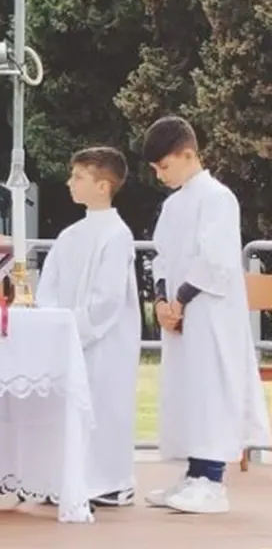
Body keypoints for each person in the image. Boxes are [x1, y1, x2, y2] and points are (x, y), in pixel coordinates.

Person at [142, 116, 271, 514]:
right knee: (186, 391)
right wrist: (161, 301)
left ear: (188, 154)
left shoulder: (217, 197)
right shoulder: (174, 203)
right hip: (181, 317)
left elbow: (215, 259)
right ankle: (194, 472)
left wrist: (180, 298)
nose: (160, 175)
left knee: (210, 388)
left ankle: (212, 479)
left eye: (165, 166)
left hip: (209, 313)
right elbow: (160, 256)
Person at [35, 147, 141, 507]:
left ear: (103, 185)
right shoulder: (70, 235)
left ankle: (110, 481)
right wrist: (53, 321)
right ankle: (68, 478)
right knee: (67, 409)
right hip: (68, 337)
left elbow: (108, 297)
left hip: (106, 340)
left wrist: (76, 327)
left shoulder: (117, 234)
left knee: (105, 407)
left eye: (78, 176)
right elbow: (48, 285)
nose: (69, 182)